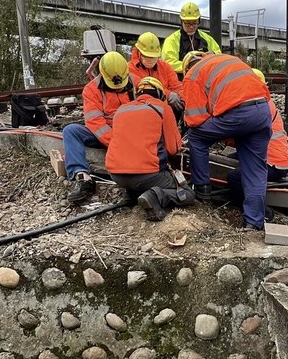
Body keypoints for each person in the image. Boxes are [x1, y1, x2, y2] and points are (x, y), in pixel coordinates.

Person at [182, 52, 272, 230]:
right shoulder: (227, 60)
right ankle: (253, 222)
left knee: (196, 137)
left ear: (187, 67)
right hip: (262, 112)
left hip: (238, 113)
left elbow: (195, 119)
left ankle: (201, 187)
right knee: (254, 169)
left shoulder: (193, 74)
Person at [105, 77, 194, 221]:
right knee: (188, 193)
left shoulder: (121, 110)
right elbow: (173, 148)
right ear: (160, 94)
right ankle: (155, 196)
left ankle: (132, 193)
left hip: (116, 175)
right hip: (147, 175)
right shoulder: (162, 108)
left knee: (139, 179)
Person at [63, 51, 133, 202]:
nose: (119, 88)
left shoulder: (137, 82)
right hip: (107, 136)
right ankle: (83, 177)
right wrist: (116, 143)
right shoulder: (91, 90)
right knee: (71, 131)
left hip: (132, 134)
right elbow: (96, 123)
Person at [226, 69, 288, 221]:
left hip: (272, 162)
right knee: (230, 160)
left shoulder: (259, 107)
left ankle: (262, 213)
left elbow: (239, 131)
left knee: (234, 177)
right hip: (269, 157)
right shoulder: (263, 103)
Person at [161, 1, 222, 80]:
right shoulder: (172, 40)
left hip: (203, 82)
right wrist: (190, 65)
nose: (191, 26)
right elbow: (168, 62)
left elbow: (219, 57)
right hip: (181, 83)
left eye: (195, 23)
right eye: (187, 23)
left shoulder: (207, 39)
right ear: (181, 21)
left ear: (199, 21)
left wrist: (211, 57)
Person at [128, 32, 184, 113]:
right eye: (147, 56)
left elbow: (176, 86)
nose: (150, 59)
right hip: (142, 111)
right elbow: (144, 89)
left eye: (153, 57)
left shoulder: (165, 66)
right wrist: (168, 95)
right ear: (138, 52)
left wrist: (183, 98)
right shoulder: (130, 69)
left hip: (165, 111)